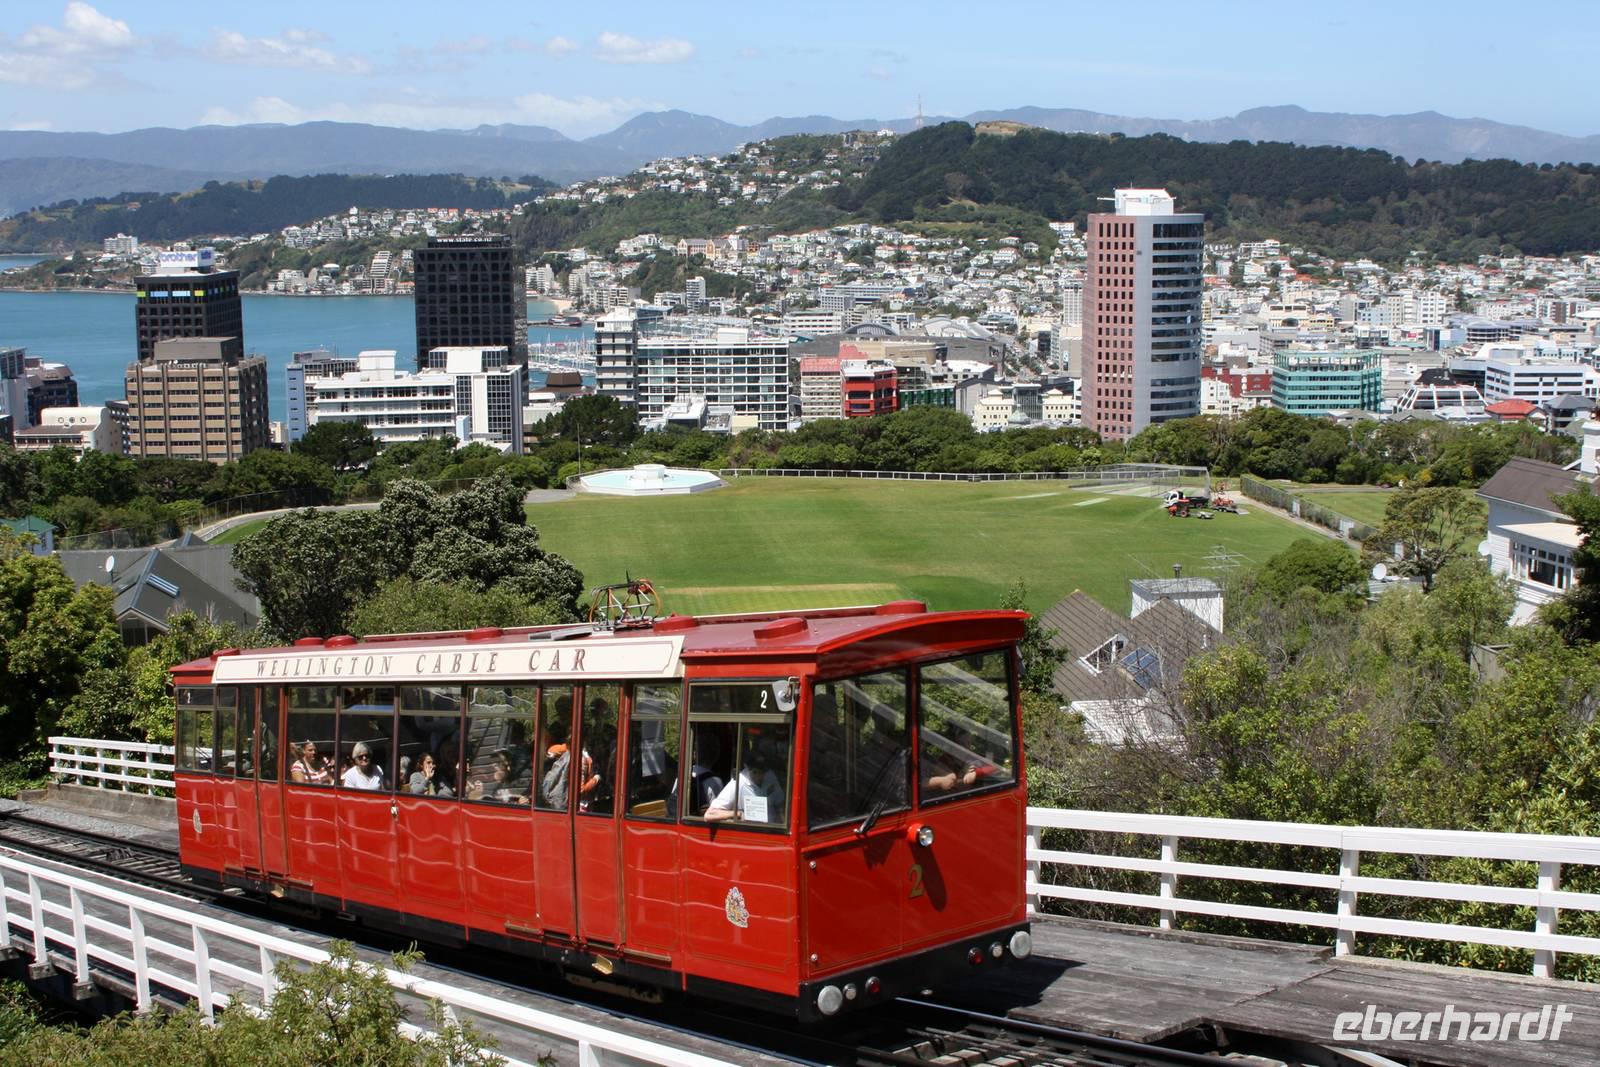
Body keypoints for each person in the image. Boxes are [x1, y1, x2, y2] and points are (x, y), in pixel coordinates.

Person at [705, 736, 785, 824]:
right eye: (755, 772)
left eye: (762, 773)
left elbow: (779, 806)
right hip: (752, 832)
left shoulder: (770, 775)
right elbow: (709, 815)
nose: (759, 777)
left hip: (773, 832)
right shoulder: (738, 782)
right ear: (747, 768)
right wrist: (737, 813)